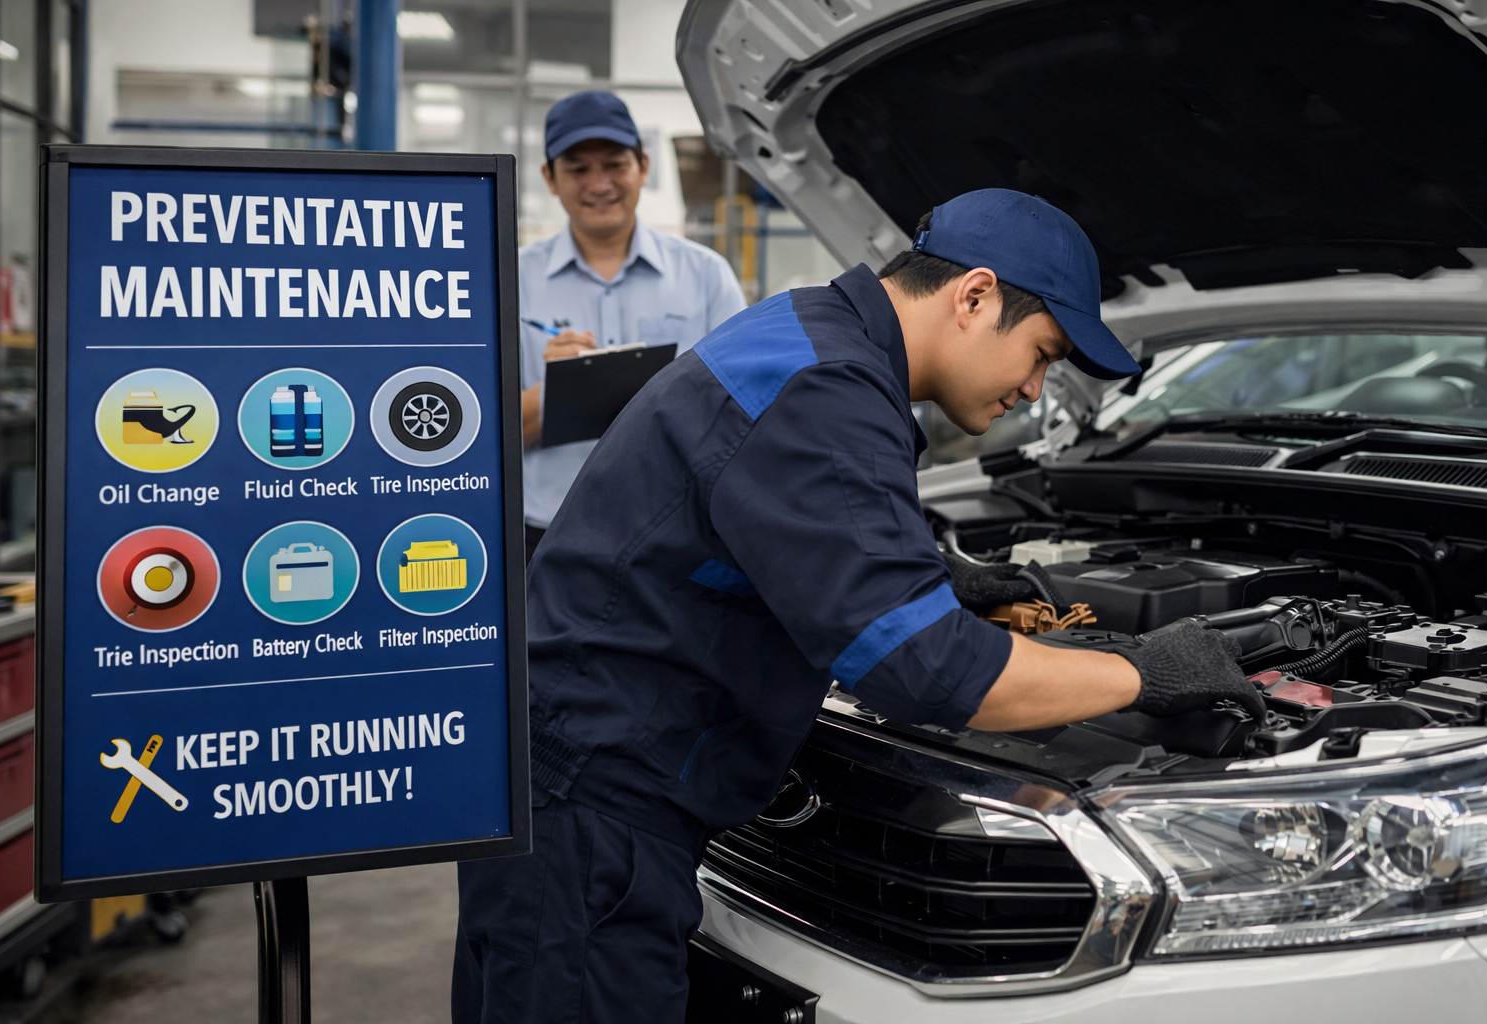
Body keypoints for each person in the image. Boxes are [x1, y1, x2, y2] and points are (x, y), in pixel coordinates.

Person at [453, 189, 1263, 1022]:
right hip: (594, 822)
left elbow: (767, 522)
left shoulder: (807, 332)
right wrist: (1140, 671)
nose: (1033, 386)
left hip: (571, 786)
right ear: (974, 296)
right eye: (1043, 353)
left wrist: (931, 580)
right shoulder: (827, 389)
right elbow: (931, 674)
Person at [518, 91, 746, 562]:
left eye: (614, 164)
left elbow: (741, 410)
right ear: (550, 179)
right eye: (577, 168)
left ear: (643, 166)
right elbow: (474, 431)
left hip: (673, 534)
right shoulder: (508, 281)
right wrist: (555, 391)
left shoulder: (705, 275)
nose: (599, 183)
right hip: (543, 538)